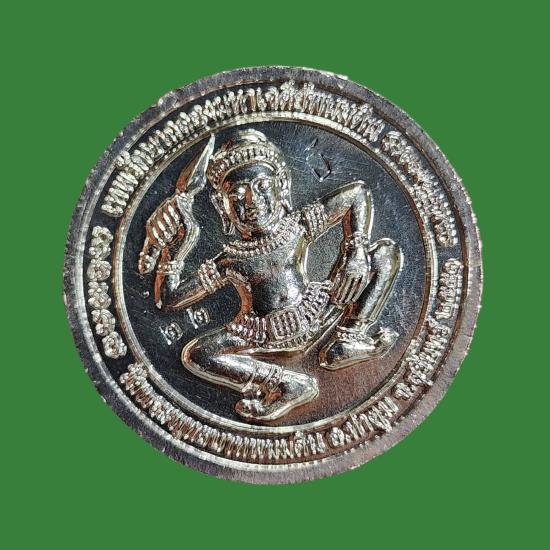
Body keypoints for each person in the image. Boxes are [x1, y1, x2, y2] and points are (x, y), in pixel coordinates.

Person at [141, 130, 402, 422]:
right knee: (198, 354)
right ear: (221, 206)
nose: (252, 201)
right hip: (262, 334)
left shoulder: (296, 227)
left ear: (282, 186)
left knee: (384, 254)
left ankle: (350, 337)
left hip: (317, 311)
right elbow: (169, 300)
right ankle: (283, 383)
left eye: (263, 186)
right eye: (236, 194)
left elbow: (357, 195)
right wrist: (174, 250)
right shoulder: (230, 259)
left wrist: (356, 250)